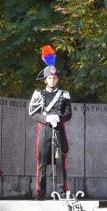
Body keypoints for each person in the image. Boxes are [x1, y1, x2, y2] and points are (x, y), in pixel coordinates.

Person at [28, 46, 72, 200]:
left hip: (59, 130)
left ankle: (62, 193)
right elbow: (33, 113)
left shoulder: (64, 95)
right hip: (45, 129)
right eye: (50, 78)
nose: (52, 80)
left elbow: (68, 113)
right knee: (42, 162)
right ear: (45, 79)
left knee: (60, 163)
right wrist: (46, 118)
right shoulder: (38, 94)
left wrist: (58, 118)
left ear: (57, 79)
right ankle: (40, 193)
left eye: (54, 78)